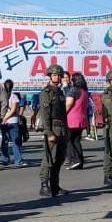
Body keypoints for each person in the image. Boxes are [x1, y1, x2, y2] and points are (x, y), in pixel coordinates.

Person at [35, 64, 70, 197]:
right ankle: (44, 185)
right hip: (53, 127)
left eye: (59, 75)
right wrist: (49, 132)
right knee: (49, 158)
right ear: (50, 76)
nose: (57, 77)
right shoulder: (46, 93)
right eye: (54, 75)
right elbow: (45, 114)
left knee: (59, 158)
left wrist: (66, 129)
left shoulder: (60, 92)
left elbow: (63, 112)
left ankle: (55, 185)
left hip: (62, 127)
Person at [64, 74, 88, 170]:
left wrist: (62, 114)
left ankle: (75, 159)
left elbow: (68, 104)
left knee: (68, 140)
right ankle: (80, 161)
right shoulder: (84, 91)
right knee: (76, 141)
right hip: (81, 118)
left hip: (71, 118)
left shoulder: (74, 90)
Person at [0, 80, 26, 167]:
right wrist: (7, 117)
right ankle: (18, 160)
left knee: (5, 140)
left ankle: (5, 159)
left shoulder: (1, 96)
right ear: (12, 86)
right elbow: (14, 110)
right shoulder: (14, 96)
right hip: (13, 121)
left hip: (4, 121)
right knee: (15, 141)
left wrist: (3, 118)